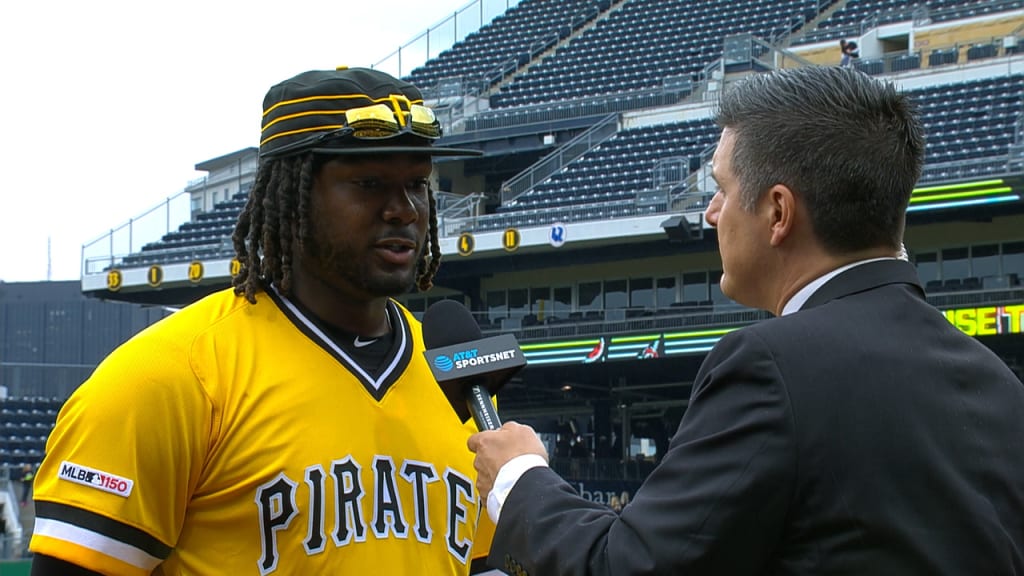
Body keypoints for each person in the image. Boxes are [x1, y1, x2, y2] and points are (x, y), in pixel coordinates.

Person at [468, 66, 1024, 575]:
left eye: (722, 189)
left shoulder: (770, 366)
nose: (710, 213)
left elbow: (630, 568)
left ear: (778, 212)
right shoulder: (998, 382)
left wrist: (521, 478)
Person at [30, 67, 496, 575]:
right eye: (368, 183)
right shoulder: (167, 376)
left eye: (416, 184)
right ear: (292, 194)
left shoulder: (461, 378)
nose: (403, 209)